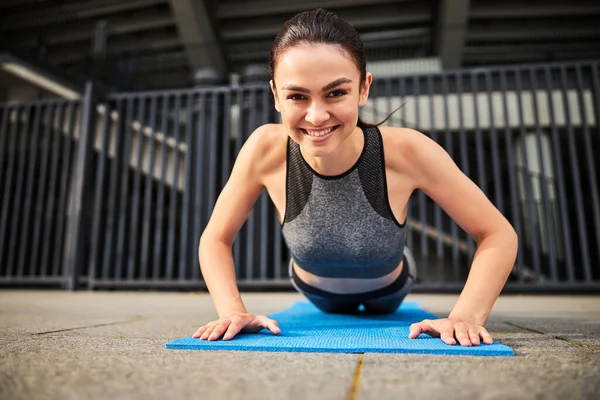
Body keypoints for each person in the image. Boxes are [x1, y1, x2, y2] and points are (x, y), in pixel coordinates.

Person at [192, 8, 518, 347]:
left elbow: (497, 233)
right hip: (313, 290)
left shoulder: (408, 151)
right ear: (276, 96)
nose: (316, 116)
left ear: (363, 89)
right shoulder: (264, 148)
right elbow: (215, 238)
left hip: (390, 289)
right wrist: (231, 311)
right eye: (297, 96)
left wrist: (466, 316)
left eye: (336, 93)